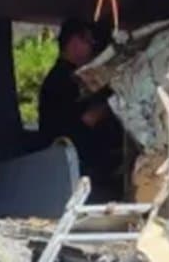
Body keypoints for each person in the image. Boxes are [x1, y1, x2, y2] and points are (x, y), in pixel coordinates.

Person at [38, 18, 123, 201]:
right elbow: (85, 119)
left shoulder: (62, 78)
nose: (91, 48)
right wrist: (113, 101)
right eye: (88, 42)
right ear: (74, 42)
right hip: (74, 163)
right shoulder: (64, 80)